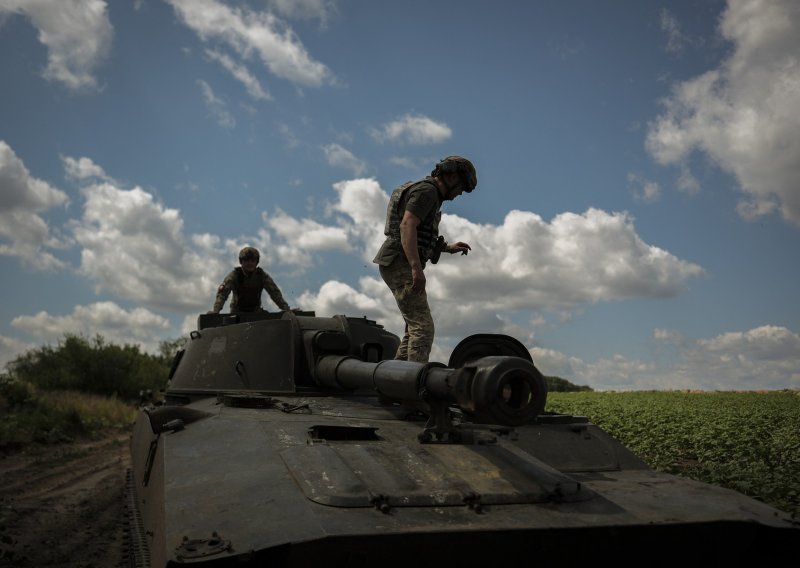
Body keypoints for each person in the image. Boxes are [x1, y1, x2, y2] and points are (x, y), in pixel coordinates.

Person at [373, 156, 477, 362]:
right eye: (461, 188)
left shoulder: (430, 193)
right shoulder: (427, 191)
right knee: (423, 328)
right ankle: (411, 387)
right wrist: (415, 268)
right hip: (400, 262)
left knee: (413, 330)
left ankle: (394, 384)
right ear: (452, 177)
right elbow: (407, 226)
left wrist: (447, 248)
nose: (459, 194)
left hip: (398, 260)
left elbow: (419, 233)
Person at [209, 246, 291, 313]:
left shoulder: (261, 276)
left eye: (253, 261)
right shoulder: (234, 275)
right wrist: (215, 311)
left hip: (255, 312)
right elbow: (222, 294)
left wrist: (286, 309)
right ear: (241, 262)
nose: (250, 263)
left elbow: (275, 293)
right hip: (237, 313)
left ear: (256, 262)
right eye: (246, 261)